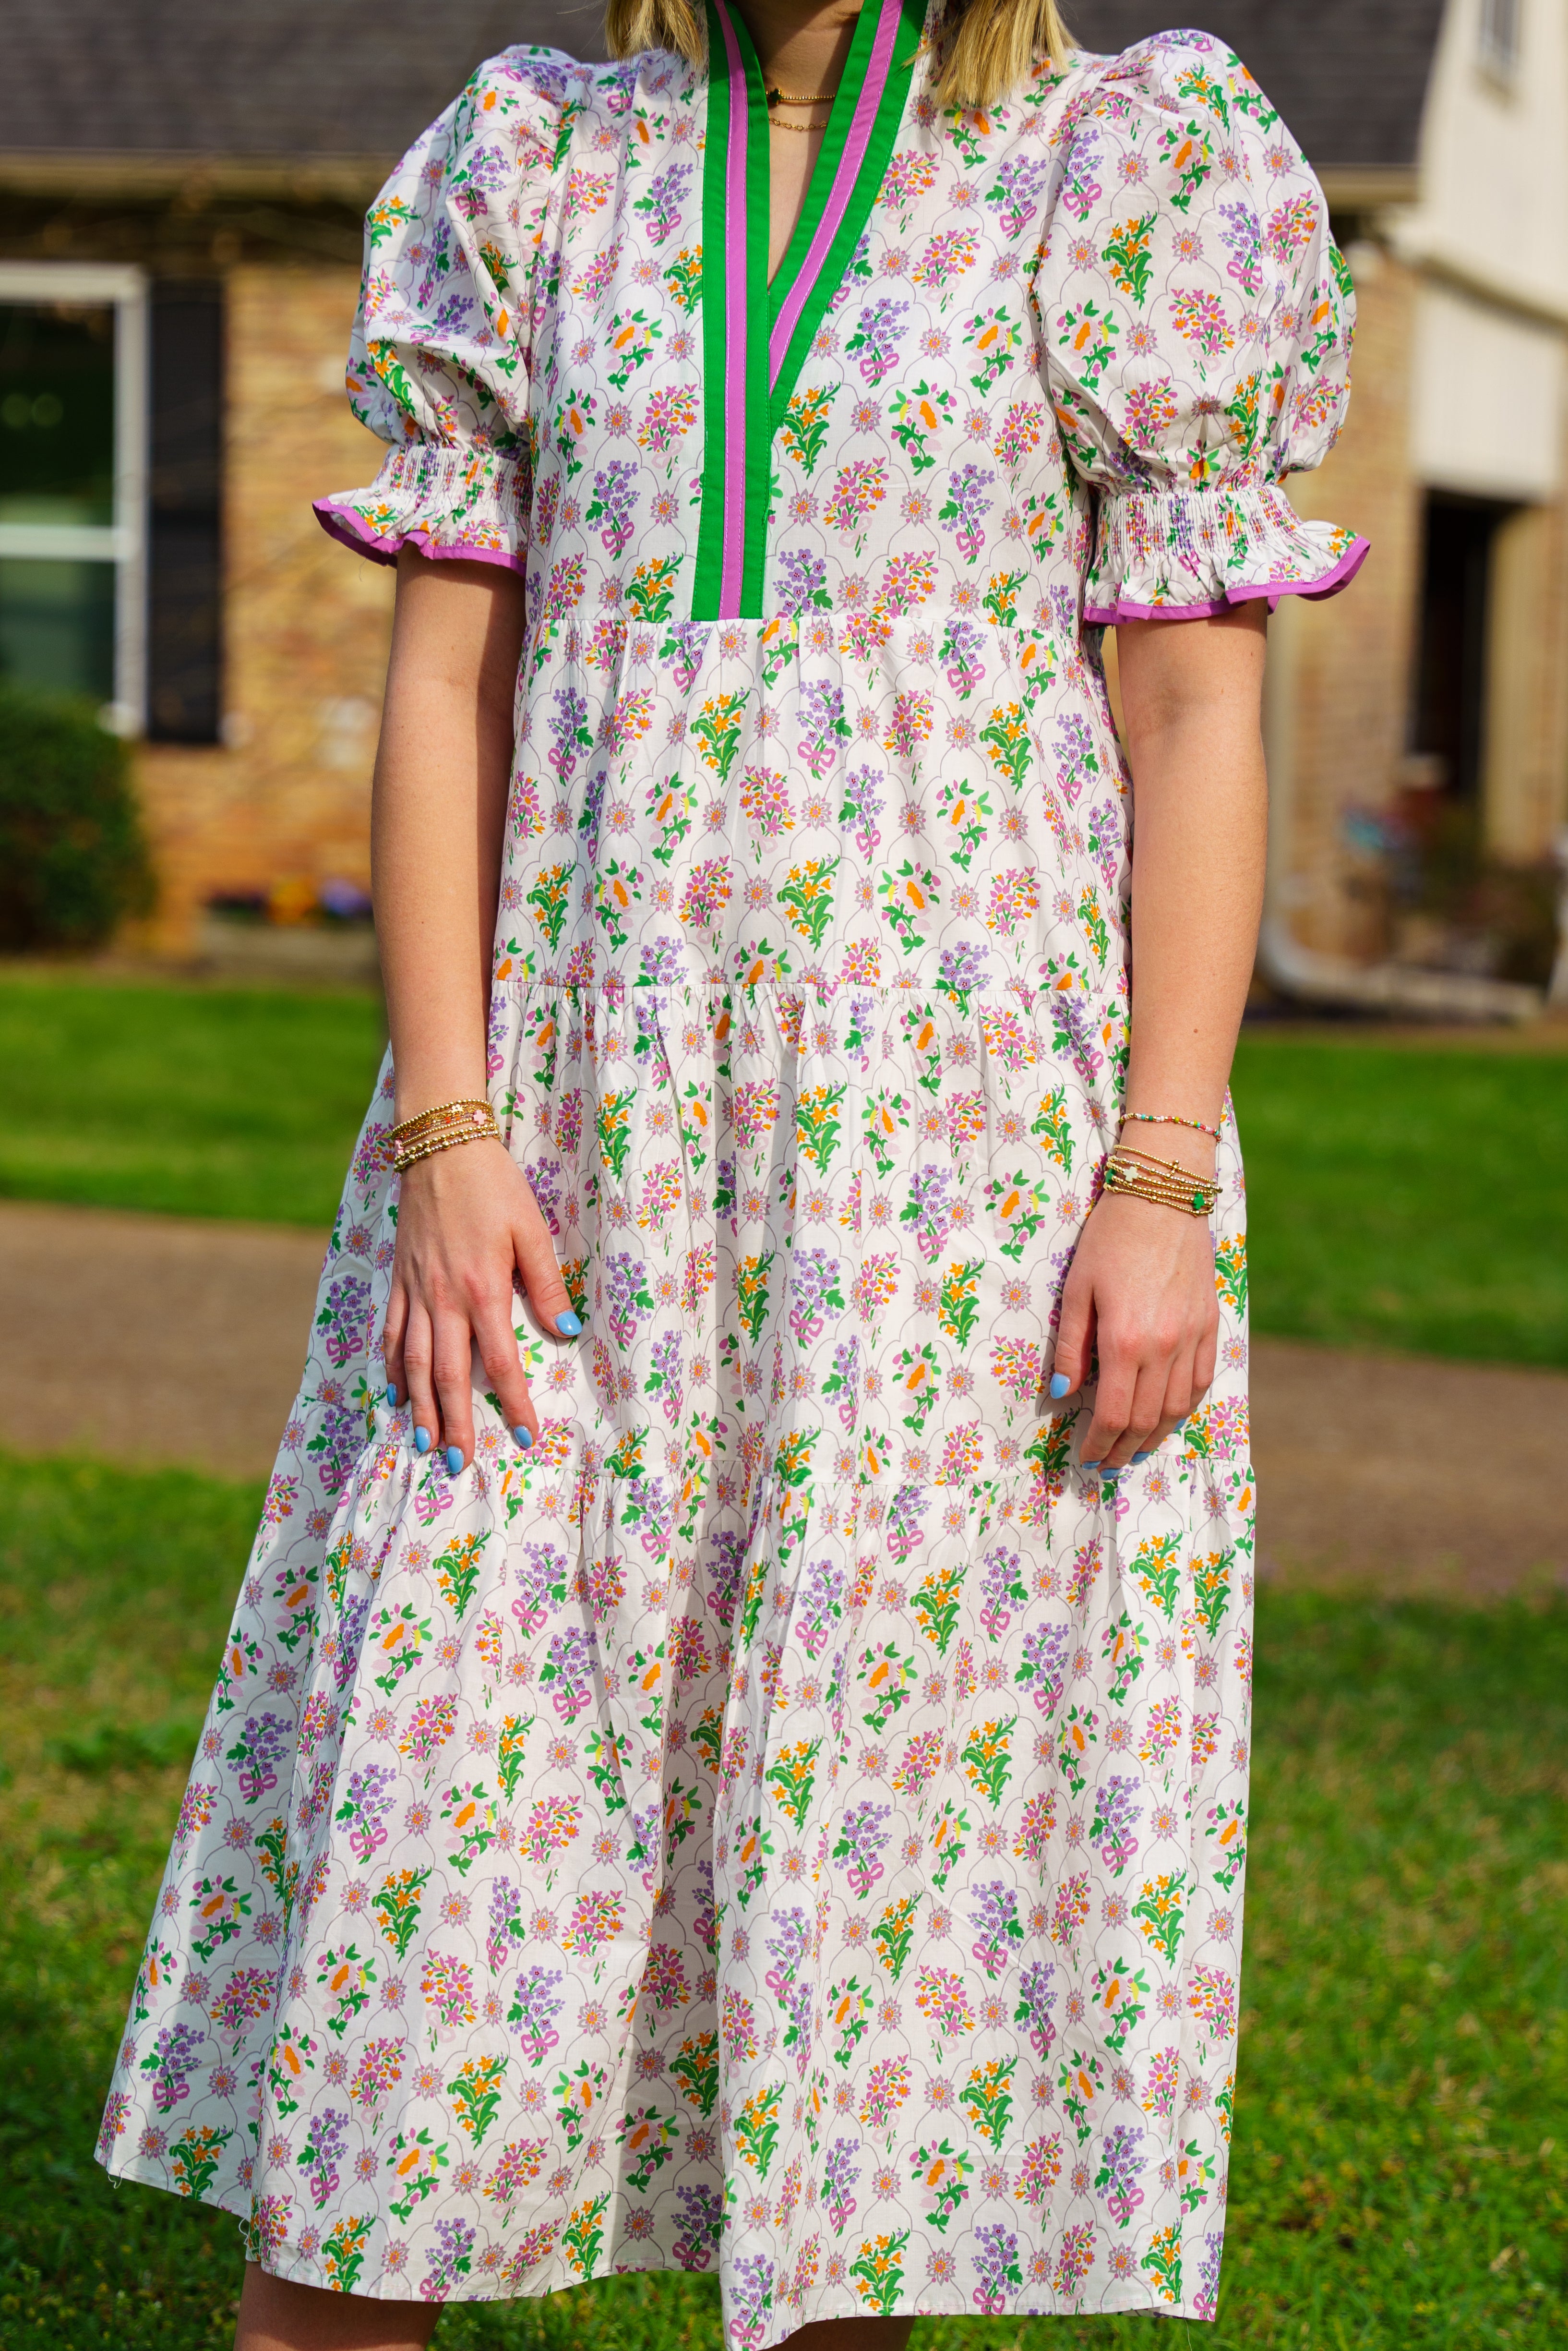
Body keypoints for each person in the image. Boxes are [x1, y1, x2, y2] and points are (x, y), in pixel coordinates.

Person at [98, 0, 1365, 2342]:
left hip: (948, 1168)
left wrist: (1161, 1173)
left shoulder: (1114, 162)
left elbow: (1193, 714)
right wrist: (451, 1126)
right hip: (557, 1141)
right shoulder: (540, 165)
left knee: (859, 1911)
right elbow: (444, 690)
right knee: (432, 1824)